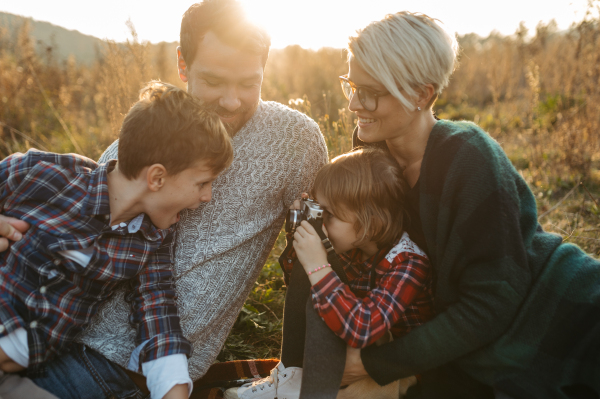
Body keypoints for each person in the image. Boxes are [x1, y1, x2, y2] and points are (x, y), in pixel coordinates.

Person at [0, 0, 328, 397]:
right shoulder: (147, 140)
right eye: (214, 80)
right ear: (183, 64)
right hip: (56, 346)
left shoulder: (295, 142)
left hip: (141, 369)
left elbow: (316, 255)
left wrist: (297, 369)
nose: (231, 100)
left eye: (248, 83)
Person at [325, 11, 599, 399]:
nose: (354, 103)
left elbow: (491, 302)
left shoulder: (470, 156)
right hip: (458, 339)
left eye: (371, 91)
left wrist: (377, 364)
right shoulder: (368, 156)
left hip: (562, 314)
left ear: (423, 94)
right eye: (351, 85)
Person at [0, 81, 234, 399]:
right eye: (203, 182)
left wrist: (174, 391)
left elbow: (157, 311)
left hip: (18, 377)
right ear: (157, 177)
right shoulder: (46, 174)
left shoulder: (151, 239)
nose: (207, 197)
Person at [225, 147, 433, 399]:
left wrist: (319, 266)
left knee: (353, 391)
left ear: (371, 223)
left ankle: (312, 390)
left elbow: (363, 328)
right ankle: (294, 375)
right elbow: (297, 281)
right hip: (348, 339)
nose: (322, 223)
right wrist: (300, 232)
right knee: (322, 294)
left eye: (329, 215)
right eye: (318, 210)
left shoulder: (408, 262)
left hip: (392, 361)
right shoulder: (349, 242)